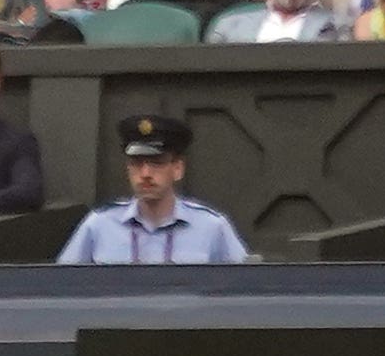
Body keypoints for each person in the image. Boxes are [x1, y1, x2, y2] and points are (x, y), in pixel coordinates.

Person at [58, 110, 254, 264]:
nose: (145, 174)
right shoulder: (99, 226)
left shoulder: (211, 228)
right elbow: (60, 290)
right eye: (137, 163)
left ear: (177, 169)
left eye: (156, 163)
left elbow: (247, 291)